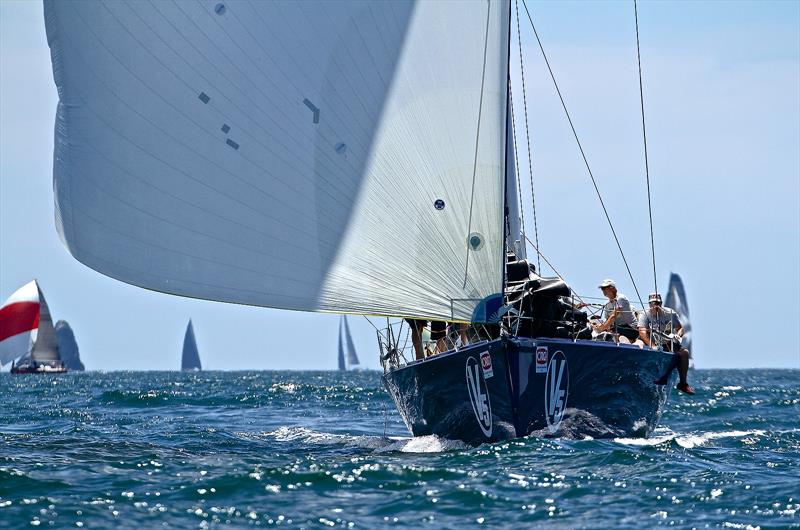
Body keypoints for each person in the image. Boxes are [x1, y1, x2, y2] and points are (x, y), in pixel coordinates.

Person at [638, 293, 694, 395]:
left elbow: (680, 328)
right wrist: (652, 346)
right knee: (675, 356)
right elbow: (641, 331)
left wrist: (678, 335)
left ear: (661, 303)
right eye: (653, 303)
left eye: (658, 303)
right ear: (649, 304)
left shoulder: (670, 313)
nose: (656, 306)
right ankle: (664, 378)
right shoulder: (644, 314)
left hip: (669, 342)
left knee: (684, 353)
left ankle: (683, 384)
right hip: (654, 343)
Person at [590, 279, 640, 344]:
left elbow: (613, 316)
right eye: (602, 289)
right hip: (618, 328)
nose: (603, 290)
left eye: (605, 288)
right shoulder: (606, 304)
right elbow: (607, 320)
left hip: (631, 328)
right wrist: (599, 326)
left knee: (613, 332)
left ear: (612, 288)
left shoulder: (621, 298)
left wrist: (602, 328)